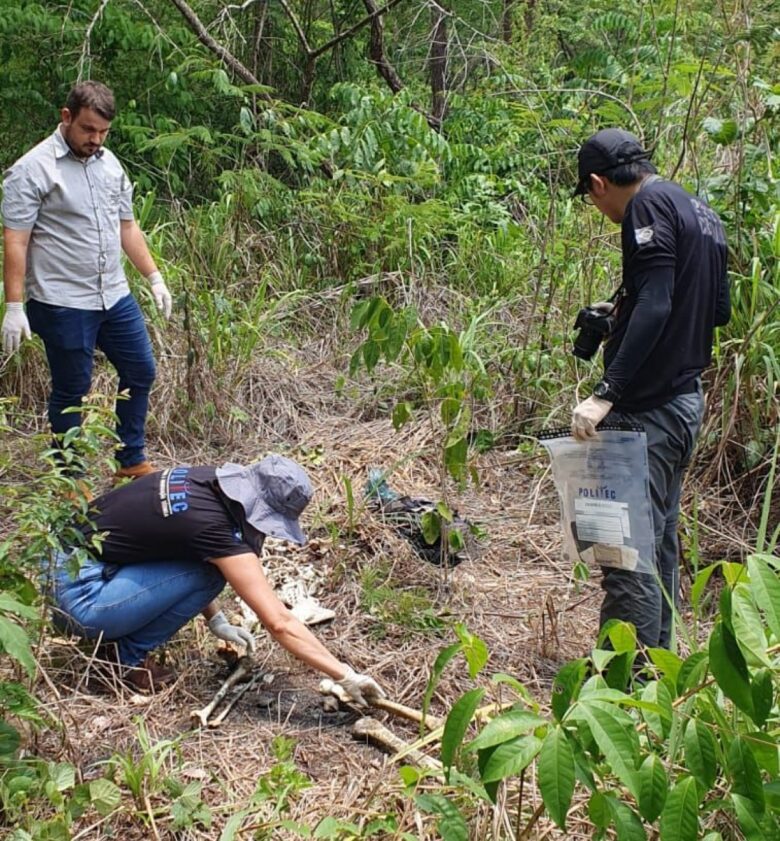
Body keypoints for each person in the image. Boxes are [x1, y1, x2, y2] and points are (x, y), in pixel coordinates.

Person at [47, 453, 385, 703]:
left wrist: (216, 619)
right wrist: (344, 674)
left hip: (64, 558)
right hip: (80, 597)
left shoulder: (202, 482)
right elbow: (279, 622)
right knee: (212, 575)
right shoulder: (213, 528)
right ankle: (121, 661)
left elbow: (177, 545)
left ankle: (116, 641)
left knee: (208, 569)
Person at [570, 128, 730, 650]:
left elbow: (660, 303)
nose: (601, 209)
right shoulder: (698, 209)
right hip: (684, 402)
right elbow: (716, 310)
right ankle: (657, 679)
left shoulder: (646, 207)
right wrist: (622, 312)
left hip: (647, 412)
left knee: (623, 551)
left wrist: (605, 392)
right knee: (658, 544)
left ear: (598, 183)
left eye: (593, 198)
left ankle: (623, 689)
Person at [1, 81, 172, 481]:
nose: (95, 139)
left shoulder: (110, 164)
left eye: (103, 132)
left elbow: (127, 226)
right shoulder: (33, 169)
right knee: (72, 389)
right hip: (62, 300)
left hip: (113, 295)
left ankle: (130, 461)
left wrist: (154, 276)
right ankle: (69, 477)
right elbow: (15, 239)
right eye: (88, 129)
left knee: (141, 371)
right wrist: (13, 306)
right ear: (67, 117)